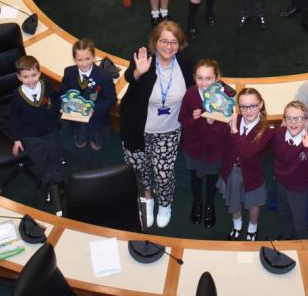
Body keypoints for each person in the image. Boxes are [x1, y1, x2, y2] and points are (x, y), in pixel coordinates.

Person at [120, 21, 195, 229]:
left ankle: (164, 204)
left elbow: (197, 88)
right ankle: (147, 198)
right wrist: (138, 73)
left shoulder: (186, 63)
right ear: (155, 41)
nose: (168, 46)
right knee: (139, 169)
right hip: (137, 128)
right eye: (163, 41)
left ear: (180, 44)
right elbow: (129, 77)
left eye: (174, 42)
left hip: (168, 131)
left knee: (164, 173)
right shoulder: (144, 59)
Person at [179, 58, 230, 228]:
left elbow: (225, 131)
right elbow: (182, 122)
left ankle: (209, 203)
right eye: (200, 78)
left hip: (214, 150)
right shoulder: (190, 94)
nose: (204, 83)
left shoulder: (224, 99)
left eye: (208, 78)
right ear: (194, 78)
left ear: (217, 78)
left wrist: (210, 123)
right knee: (196, 177)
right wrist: (195, 120)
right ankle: (197, 201)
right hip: (195, 148)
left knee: (212, 178)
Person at [218, 86, 273, 241]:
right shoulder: (236, 119)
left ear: (260, 105)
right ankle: (237, 225)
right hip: (232, 170)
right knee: (233, 200)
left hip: (252, 173)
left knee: (254, 202)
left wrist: (234, 131)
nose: (248, 111)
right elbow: (222, 141)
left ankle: (252, 227)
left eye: (252, 106)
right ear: (238, 107)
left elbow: (247, 152)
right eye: (243, 107)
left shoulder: (266, 130)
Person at [10, 55, 63, 209]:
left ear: (39, 73)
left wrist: (60, 109)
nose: (31, 79)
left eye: (34, 75)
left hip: (50, 131)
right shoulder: (17, 95)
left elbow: (55, 99)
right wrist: (16, 139)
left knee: (55, 154)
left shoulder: (46, 85)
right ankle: (47, 181)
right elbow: (14, 118)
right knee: (40, 160)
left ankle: (58, 181)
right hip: (31, 137)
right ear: (19, 77)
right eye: (26, 77)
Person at [59, 39, 117, 164]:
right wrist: (65, 103)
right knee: (79, 141)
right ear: (74, 59)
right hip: (76, 119)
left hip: (96, 119)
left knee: (96, 143)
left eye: (88, 59)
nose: (84, 64)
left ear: (94, 57)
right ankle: (82, 160)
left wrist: (94, 110)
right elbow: (64, 91)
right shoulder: (69, 72)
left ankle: (95, 162)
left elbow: (111, 98)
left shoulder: (104, 75)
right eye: (80, 60)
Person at [272, 100, 308, 239]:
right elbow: (277, 153)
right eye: (289, 118)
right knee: (282, 213)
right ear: (284, 120)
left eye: (299, 118)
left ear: (306, 122)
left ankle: (302, 243)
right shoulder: (280, 133)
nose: (293, 122)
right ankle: (286, 236)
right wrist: (278, 172)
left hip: (298, 189)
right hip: (281, 184)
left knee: (299, 222)